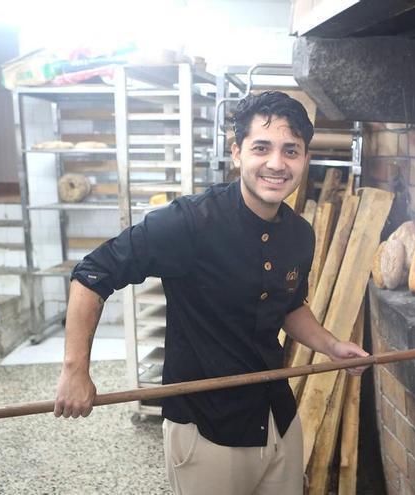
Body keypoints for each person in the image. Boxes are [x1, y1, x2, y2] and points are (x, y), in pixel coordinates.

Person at [54, 91, 369, 494]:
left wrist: (330, 345)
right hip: (208, 429)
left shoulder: (299, 234)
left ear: (305, 159)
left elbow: (289, 304)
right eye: (262, 148)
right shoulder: (190, 223)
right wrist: (75, 370)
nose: (277, 163)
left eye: (291, 150)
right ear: (237, 153)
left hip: (277, 417)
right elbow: (93, 274)